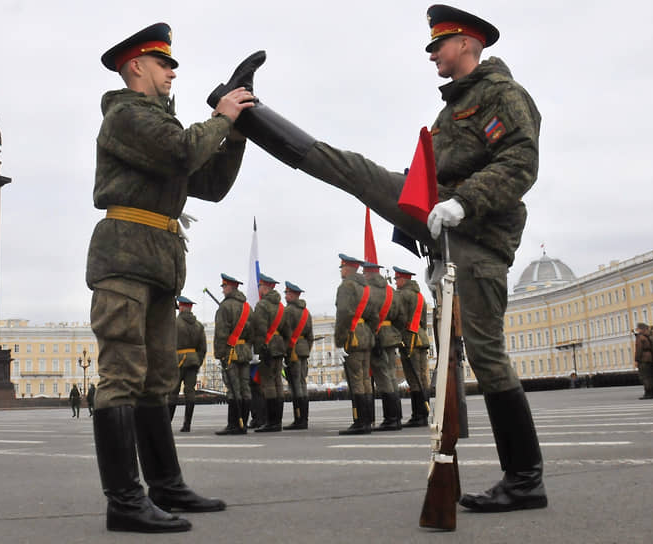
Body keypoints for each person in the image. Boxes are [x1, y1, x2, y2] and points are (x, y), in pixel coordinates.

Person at [221, 4, 547, 512]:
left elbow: (521, 161)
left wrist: (464, 204)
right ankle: (246, 112)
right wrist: (428, 243)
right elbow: (429, 175)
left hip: (478, 238)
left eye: (439, 44)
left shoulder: (501, 95)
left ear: (467, 42)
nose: (433, 53)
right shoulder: (452, 108)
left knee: (486, 358)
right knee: (353, 171)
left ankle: (526, 478)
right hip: (444, 231)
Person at [87, 22, 254, 533]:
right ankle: (124, 501)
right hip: (125, 253)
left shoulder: (162, 125)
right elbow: (183, 150)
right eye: (163, 63)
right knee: (122, 375)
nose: (172, 71)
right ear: (135, 66)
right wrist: (218, 115)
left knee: (157, 378)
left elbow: (208, 182)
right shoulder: (126, 115)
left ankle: (165, 484)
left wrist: (236, 130)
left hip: (160, 256)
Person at [335, 254, 377, 435]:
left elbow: (343, 313)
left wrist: (338, 342)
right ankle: (368, 420)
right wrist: (368, 332)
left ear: (346, 269)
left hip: (352, 336)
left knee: (356, 380)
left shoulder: (346, 286)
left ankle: (359, 421)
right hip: (366, 335)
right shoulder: (366, 288)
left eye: (341, 268)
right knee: (366, 379)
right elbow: (374, 315)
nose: (341, 271)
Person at [361, 262, 403, 431]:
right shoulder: (391, 291)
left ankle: (390, 418)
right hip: (391, 336)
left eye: (364, 272)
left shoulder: (368, 291)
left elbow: (367, 314)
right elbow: (401, 316)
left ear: (369, 273)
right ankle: (397, 416)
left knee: (382, 377)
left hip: (376, 335)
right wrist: (393, 332)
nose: (363, 275)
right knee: (392, 375)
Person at [214, 273, 255, 435]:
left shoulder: (225, 307)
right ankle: (243, 422)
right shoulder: (247, 307)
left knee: (233, 388)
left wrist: (219, 354)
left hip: (230, 352)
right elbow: (252, 332)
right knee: (245, 388)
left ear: (230, 287)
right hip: (244, 352)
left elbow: (221, 334)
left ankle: (233, 424)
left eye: (224, 287)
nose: (223, 290)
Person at [392, 266, 431, 427]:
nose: (396, 283)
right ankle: (424, 413)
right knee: (422, 377)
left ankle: (418, 416)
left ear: (403, 280)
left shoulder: (402, 295)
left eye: (397, 279)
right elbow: (422, 320)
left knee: (414, 378)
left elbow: (398, 316)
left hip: (410, 339)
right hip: (421, 337)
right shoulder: (420, 296)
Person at [251, 273, 290, 433]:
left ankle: (271, 422)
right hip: (279, 347)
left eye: (260, 286)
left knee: (267, 384)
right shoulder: (281, 306)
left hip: (267, 347)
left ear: (265, 287)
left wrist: (259, 349)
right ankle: (278, 421)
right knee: (278, 383)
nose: (259, 289)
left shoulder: (262, 306)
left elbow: (260, 329)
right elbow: (287, 331)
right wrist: (284, 347)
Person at [170, 296, 207, 432]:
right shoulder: (198, 325)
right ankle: (187, 424)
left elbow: (168, 344)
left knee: (172, 392)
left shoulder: (174, 323)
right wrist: (198, 361)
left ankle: (167, 423)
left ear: (181, 307)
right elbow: (203, 348)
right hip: (193, 361)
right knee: (190, 392)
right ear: (190, 308)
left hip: (177, 361)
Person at [281, 281, 314, 430]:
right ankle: (304, 418)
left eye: (287, 293)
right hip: (303, 350)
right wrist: (306, 349)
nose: (286, 296)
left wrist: (286, 351)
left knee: (295, 386)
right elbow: (310, 336)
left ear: (294, 295)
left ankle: (299, 419)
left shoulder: (288, 311)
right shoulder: (307, 312)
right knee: (302, 383)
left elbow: (285, 333)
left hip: (292, 350)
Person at [634, 323, 653, 399]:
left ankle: (648, 392)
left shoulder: (640, 337)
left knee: (645, 376)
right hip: (650, 357)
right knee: (650, 376)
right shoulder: (648, 336)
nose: (636, 330)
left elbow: (639, 349)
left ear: (640, 329)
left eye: (637, 328)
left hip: (643, 358)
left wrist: (637, 360)